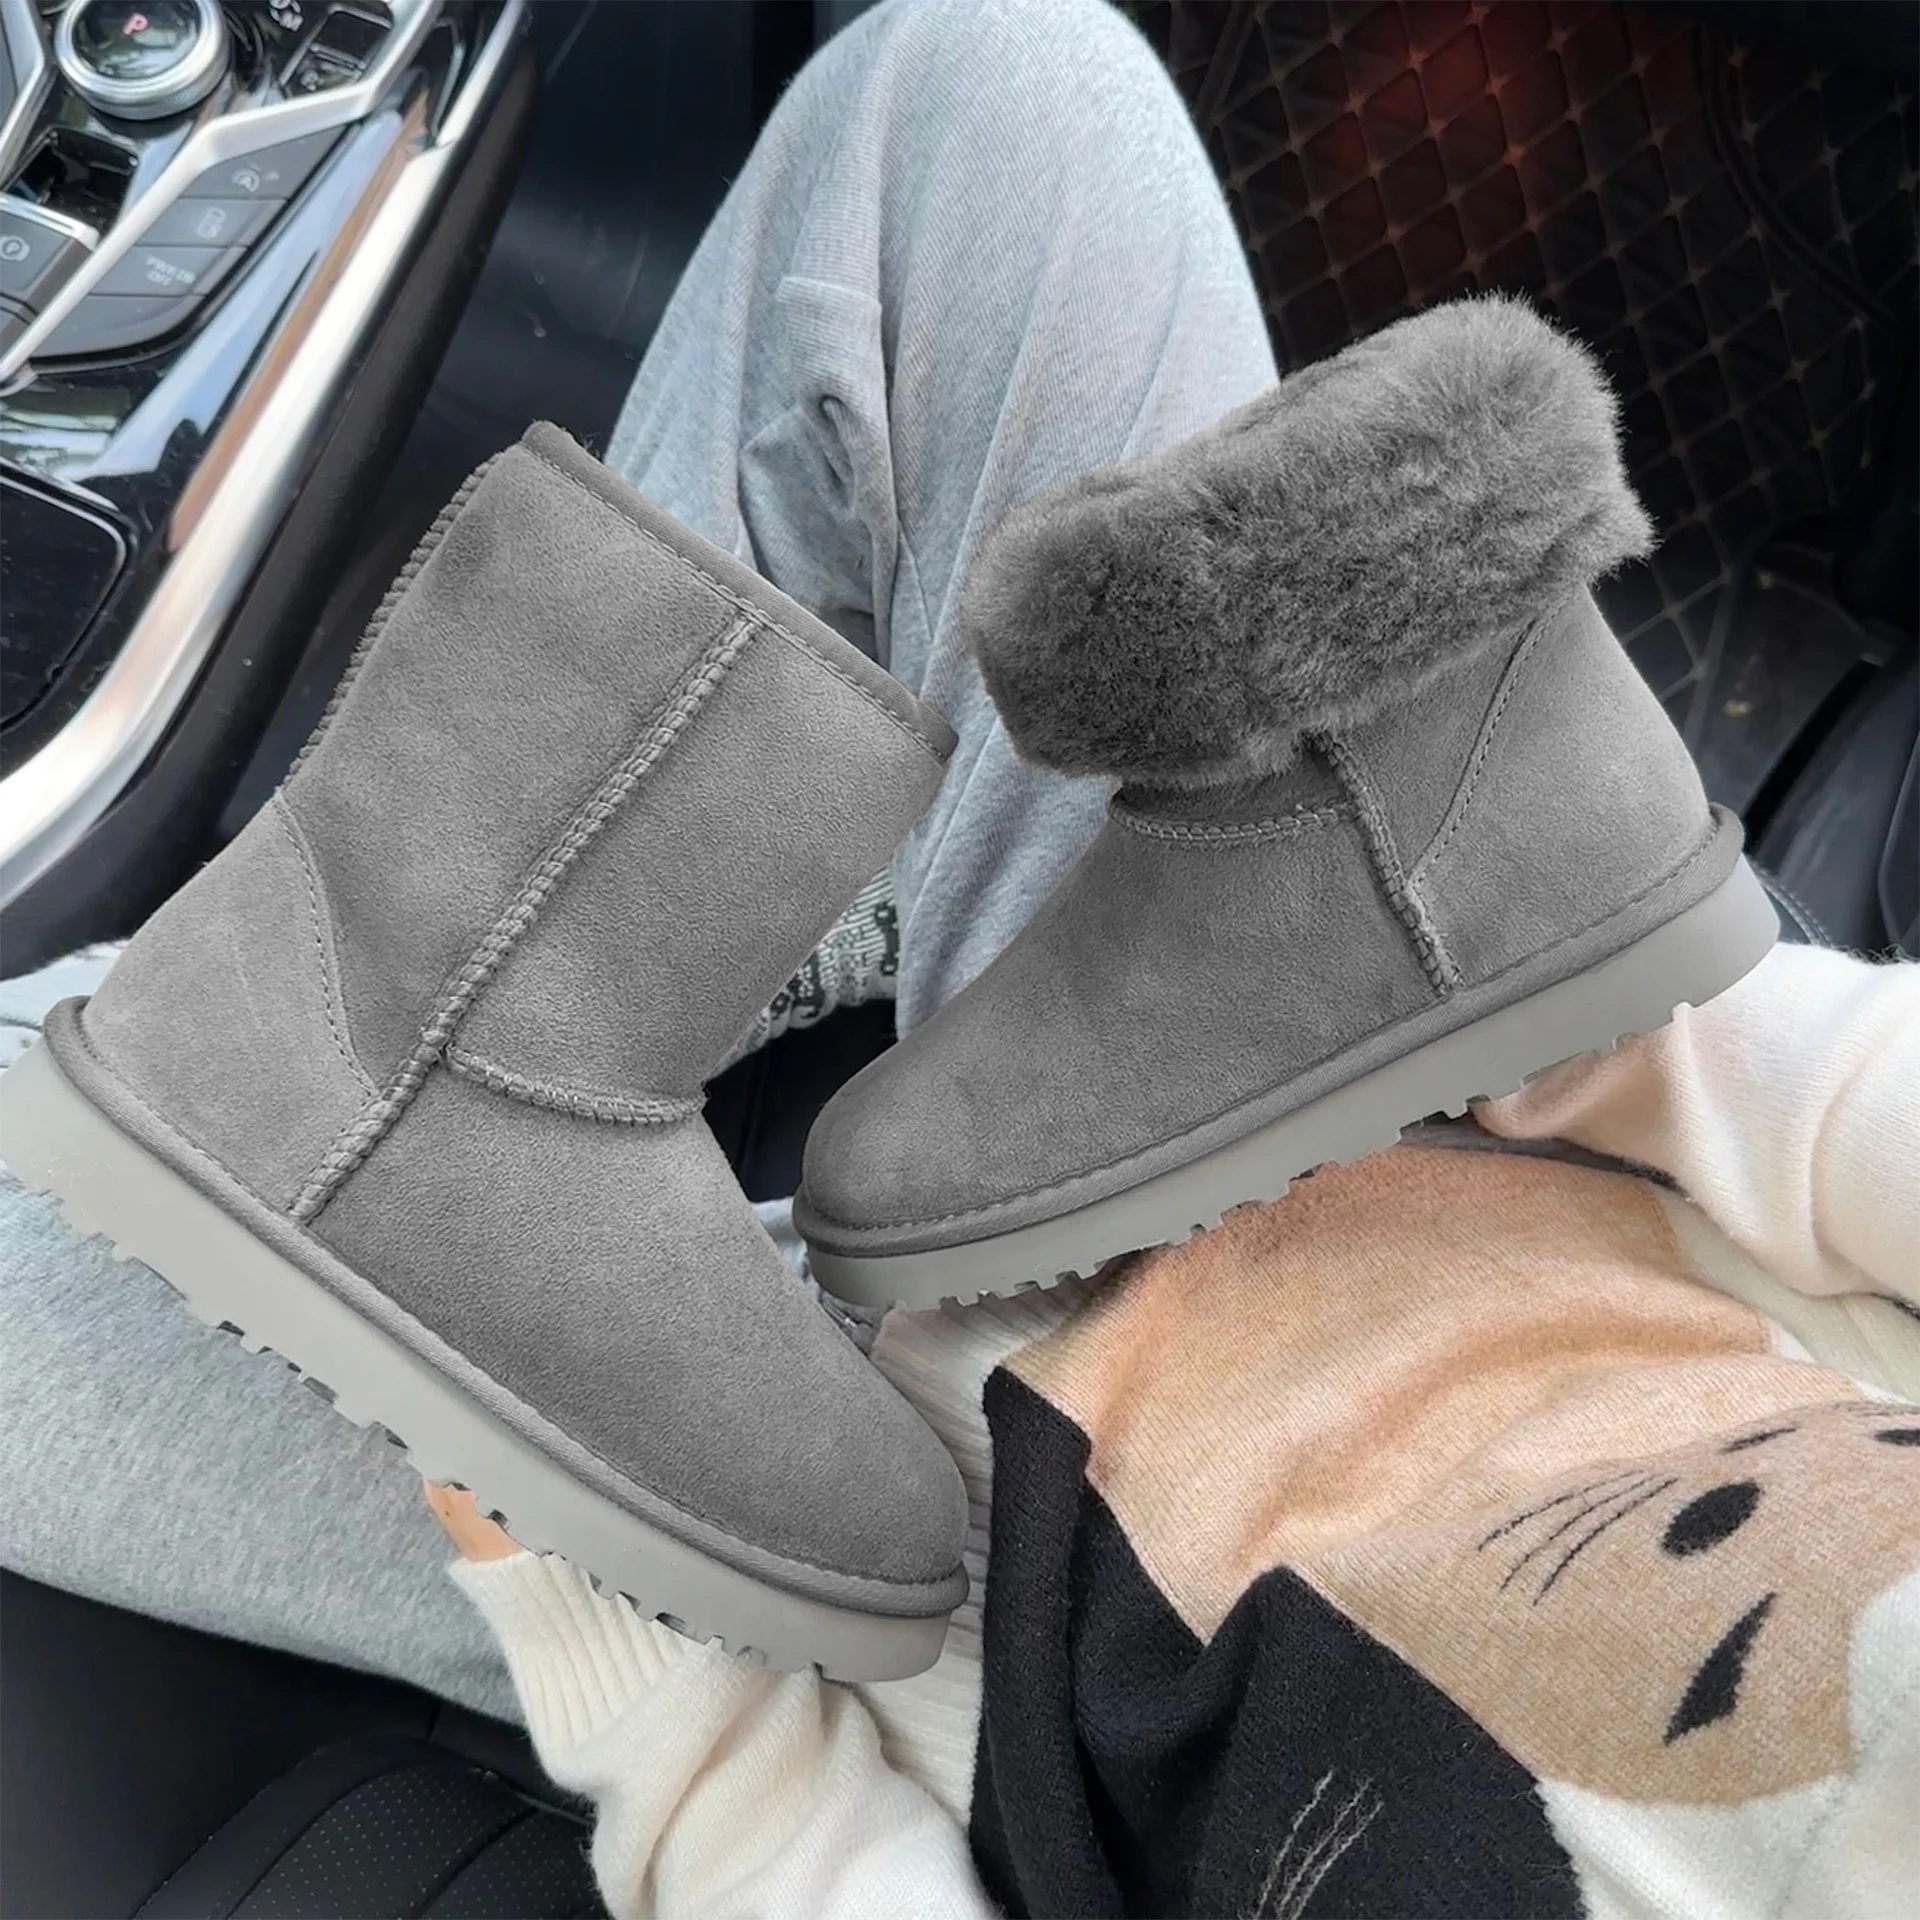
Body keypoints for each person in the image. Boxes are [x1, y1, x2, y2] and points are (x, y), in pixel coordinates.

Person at [2, 1, 1915, 1915]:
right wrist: (1657, 1037)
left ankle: (443, 1003)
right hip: (1382, 1074)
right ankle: (1433, 870)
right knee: (995, 98)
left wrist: (652, 1687)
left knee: (114, 1129)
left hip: (912, 1572)